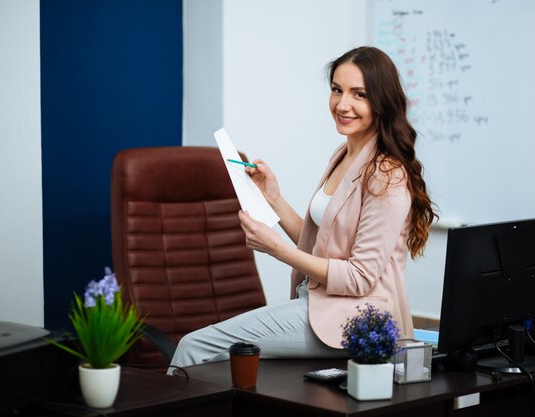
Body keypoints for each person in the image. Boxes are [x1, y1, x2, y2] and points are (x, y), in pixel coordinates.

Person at [168, 46, 437, 374]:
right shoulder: (344, 156)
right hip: (318, 303)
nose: (342, 104)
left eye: (359, 94)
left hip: (356, 320)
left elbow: (358, 278)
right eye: (337, 90)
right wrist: (274, 199)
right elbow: (320, 244)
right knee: (213, 357)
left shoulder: (387, 175)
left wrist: (276, 250)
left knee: (194, 347)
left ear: (381, 101)